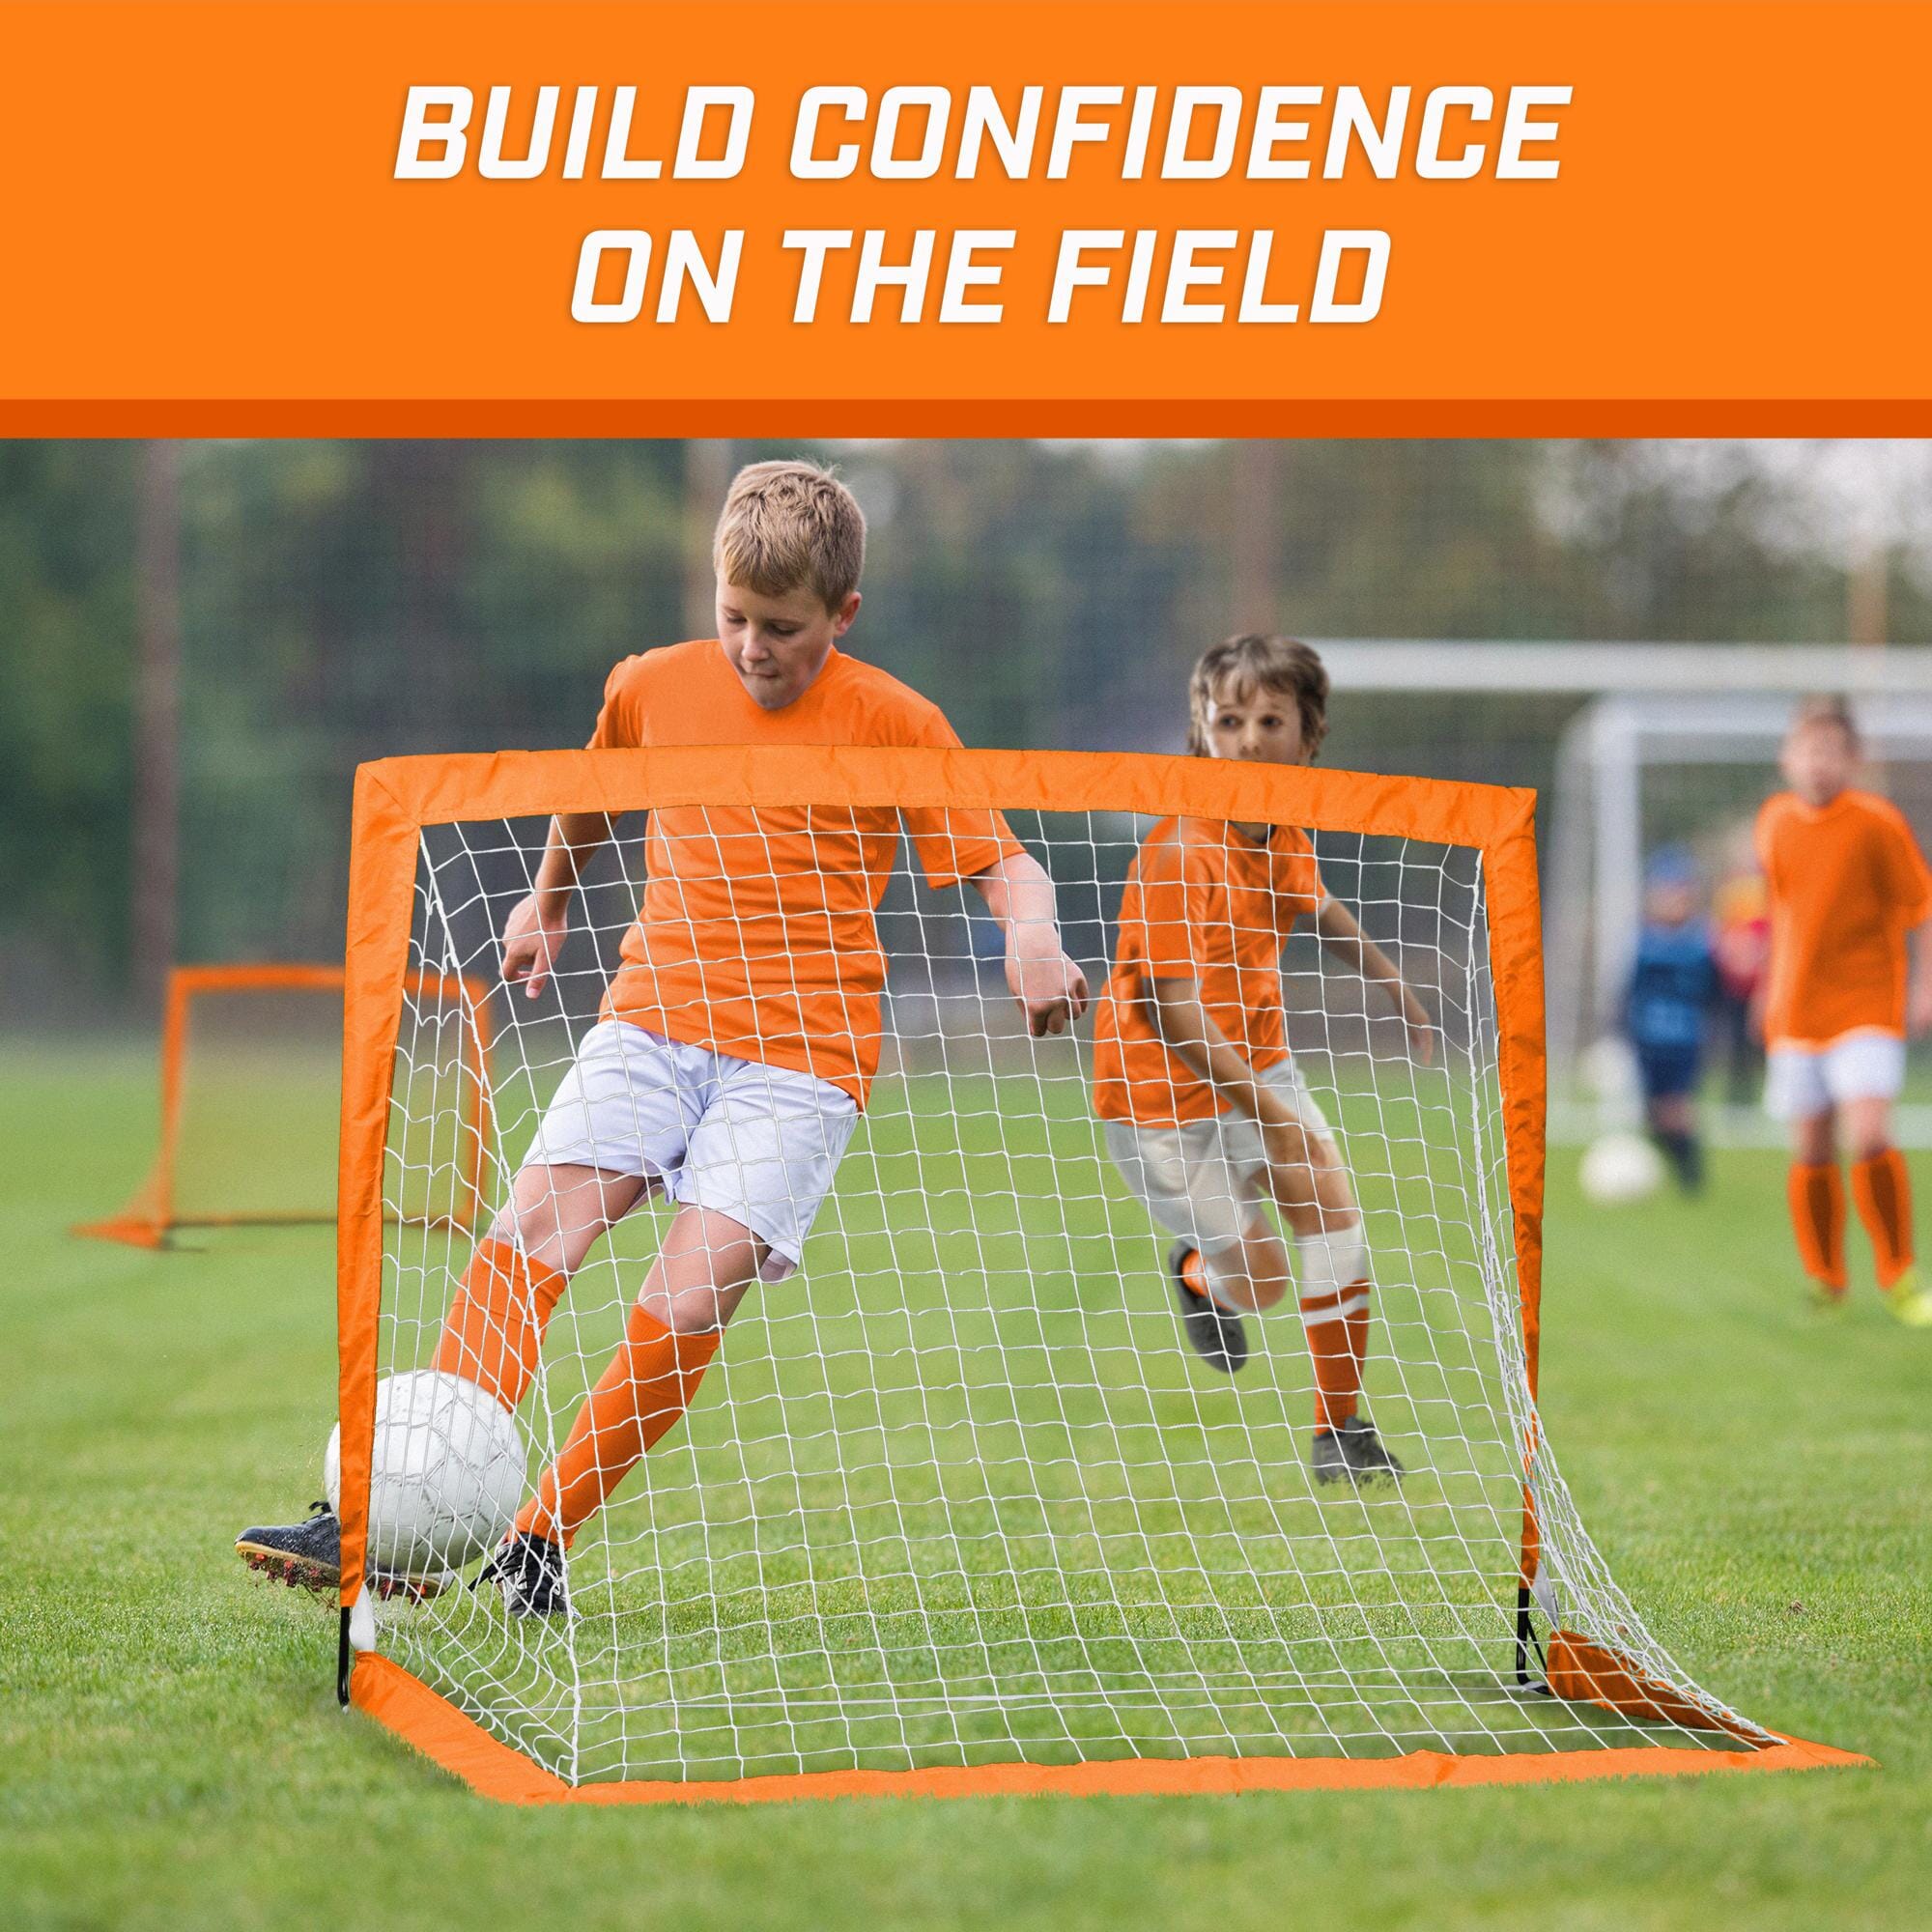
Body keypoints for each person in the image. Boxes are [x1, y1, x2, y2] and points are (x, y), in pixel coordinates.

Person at [238, 460, 1089, 1609]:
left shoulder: (898, 721)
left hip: (799, 1063)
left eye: (782, 628)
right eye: (733, 617)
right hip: (652, 1017)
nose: (752, 647)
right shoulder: (651, 683)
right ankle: (385, 1513)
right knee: (531, 1230)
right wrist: (547, 898)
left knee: (690, 1297)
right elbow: (595, 786)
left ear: (842, 615)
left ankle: (538, 1538)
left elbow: (1007, 863)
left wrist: (1030, 939)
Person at [1090, 635, 1434, 1486]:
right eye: (1228, 719)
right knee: (1264, 1283)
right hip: (1160, 1095)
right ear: (1199, 733)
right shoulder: (1177, 852)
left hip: (1260, 1063)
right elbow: (1170, 1015)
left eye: (1270, 719)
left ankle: (1341, 1434)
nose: (1247, 739)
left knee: (1336, 1215)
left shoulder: (1279, 830)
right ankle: (1199, 1271)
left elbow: (1314, 909)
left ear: (1309, 738)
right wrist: (1272, 1114)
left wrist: (1392, 980)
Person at [1757, 696, 1932, 1321]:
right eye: (1808, 749)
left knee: (1869, 1134)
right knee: (1810, 1147)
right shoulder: (1774, 822)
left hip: (1866, 1003)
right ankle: (1825, 1277)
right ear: (1787, 759)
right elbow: (1785, 916)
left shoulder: (1876, 823)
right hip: (1797, 1010)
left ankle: (1900, 1275)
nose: (1818, 762)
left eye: (1832, 750)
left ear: (1853, 759)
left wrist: (1924, 987)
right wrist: (1766, 991)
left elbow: (1921, 908)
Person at [1622, 847, 1718, 1192]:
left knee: (1677, 1109)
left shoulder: (1702, 943)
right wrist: (1620, 1030)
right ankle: (1672, 1164)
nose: (1675, 901)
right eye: (1668, 894)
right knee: (1654, 1115)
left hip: (1684, 1042)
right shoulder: (1643, 942)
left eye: (1682, 894)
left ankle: (1692, 1178)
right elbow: (1627, 993)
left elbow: (1715, 993)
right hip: (1648, 1041)